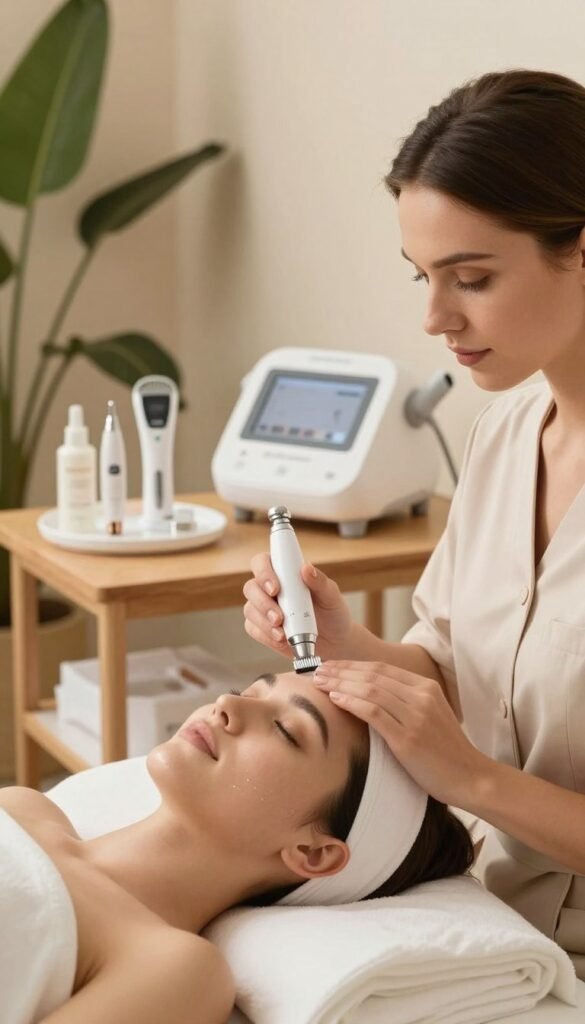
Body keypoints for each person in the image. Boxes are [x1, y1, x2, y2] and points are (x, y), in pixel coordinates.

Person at [243, 68, 585, 981]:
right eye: (424, 277)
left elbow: (471, 749)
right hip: (498, 926)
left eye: (470, 278)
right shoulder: (505, 434)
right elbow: (455, 669)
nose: (434, 317)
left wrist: (470, 780)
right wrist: (344, 634)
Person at [0, 670, 473, 1024]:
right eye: (250, 691)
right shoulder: (26, 809)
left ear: (313, 854)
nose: (227, 704)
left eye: (287, 731)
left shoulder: (176, 971)